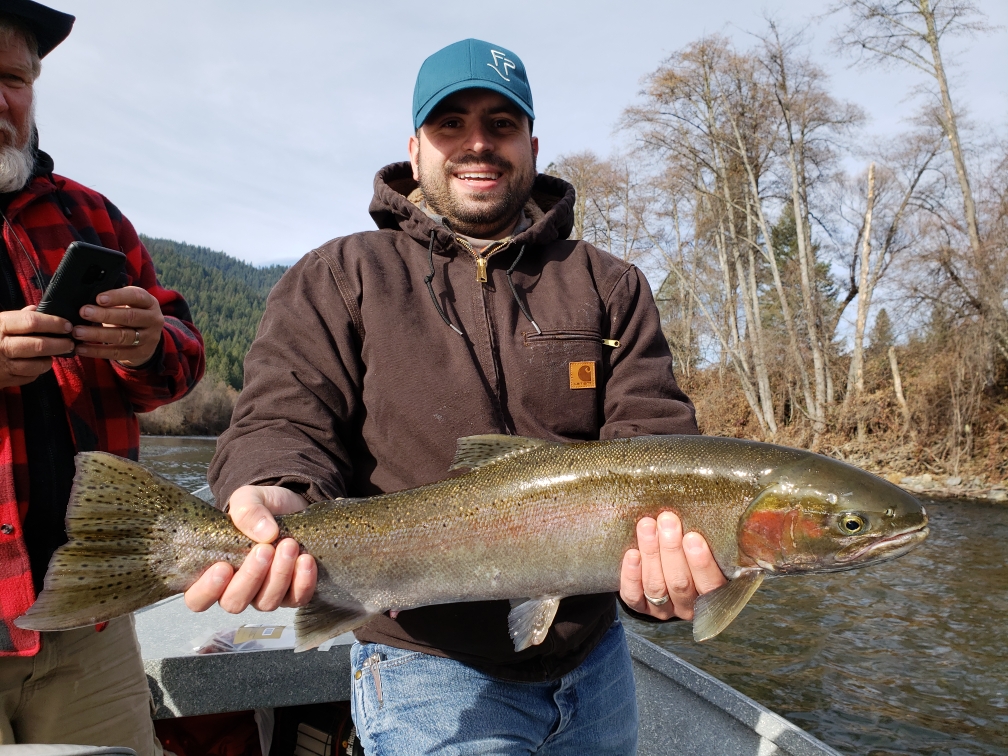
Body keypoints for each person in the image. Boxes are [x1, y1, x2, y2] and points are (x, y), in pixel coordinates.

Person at [196, 38, 724, 753]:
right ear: (415, 150)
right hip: (423, 663)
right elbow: (284, 413)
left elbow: (655, 444)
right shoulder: (342, 274)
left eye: (501, 124)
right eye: (452, 125)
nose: (479, 144)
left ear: (533, 145)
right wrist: (272, 485)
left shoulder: (610, 284)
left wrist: (669, 577)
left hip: (595, 663)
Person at [0, 1, 205, 751]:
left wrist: (149, 343)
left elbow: (180, 364)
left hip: (91, 617)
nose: (0, 100)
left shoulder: (93, 216)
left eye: (13, 79)